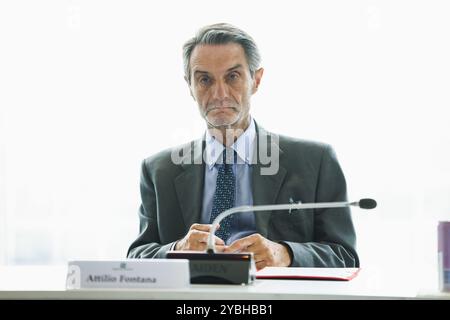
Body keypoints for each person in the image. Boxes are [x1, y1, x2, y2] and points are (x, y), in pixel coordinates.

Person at [127, 23, 359, 269]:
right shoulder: (158, 170)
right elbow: (137, 256)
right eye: (204, 79)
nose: (219, 93)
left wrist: (287, 254)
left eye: (232, 77)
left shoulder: (316, 161)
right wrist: (176, 250)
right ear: (190, 87)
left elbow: (345, 255)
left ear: (256, 80)